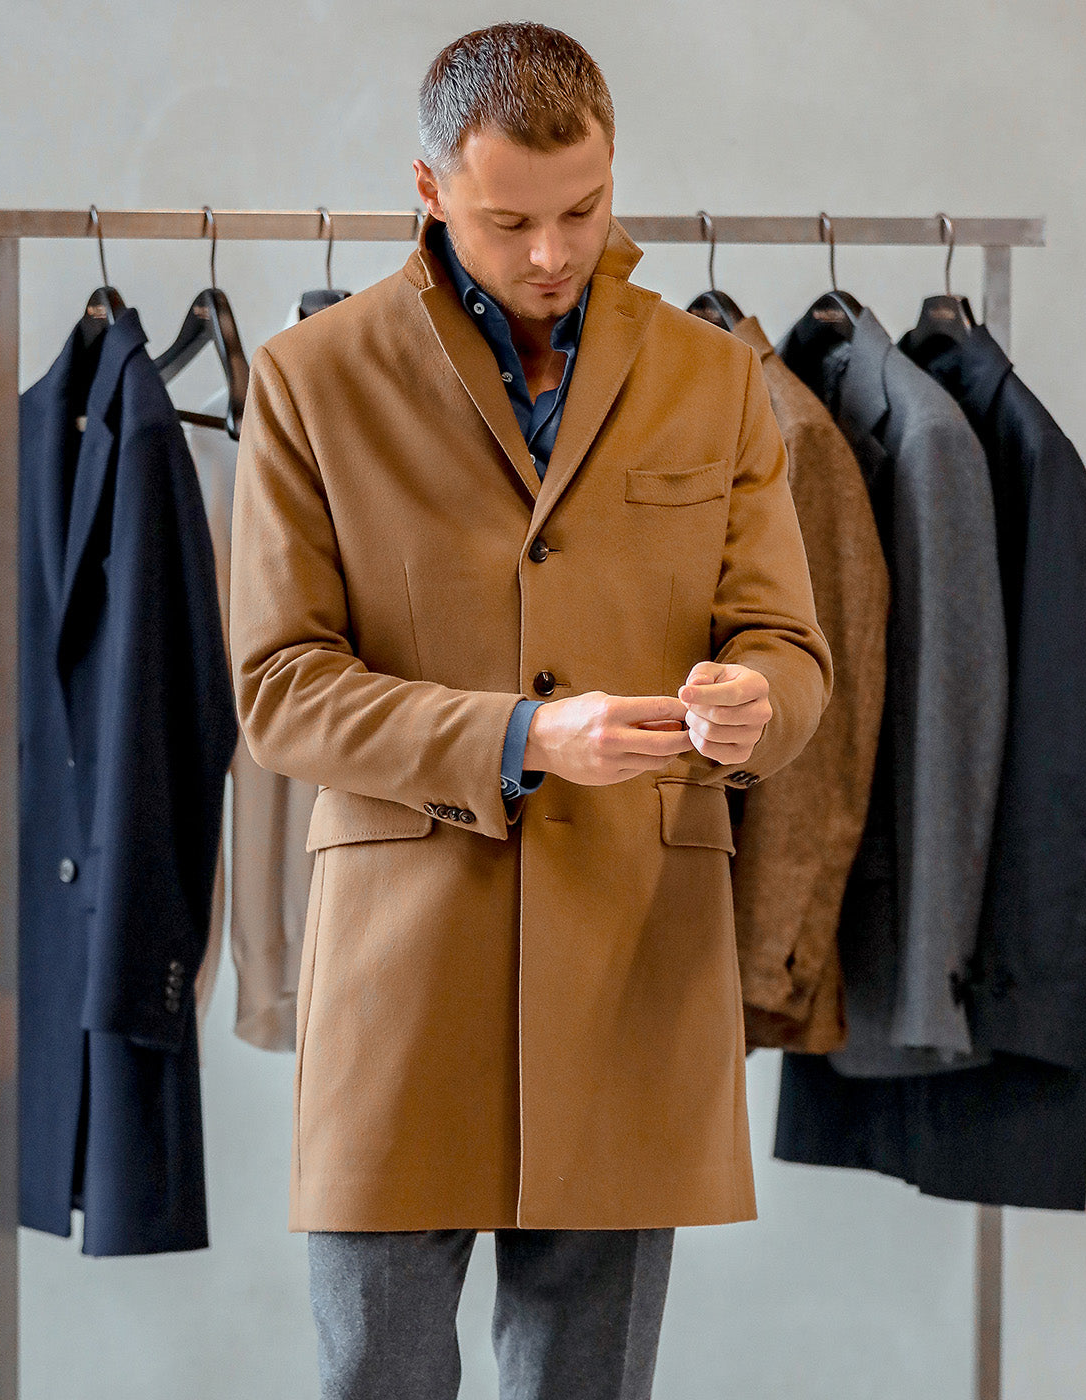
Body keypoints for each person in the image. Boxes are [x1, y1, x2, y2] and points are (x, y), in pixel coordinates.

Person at [228, 21, 832, 1400]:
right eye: (511, 220)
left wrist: (757, 704)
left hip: (635, 955)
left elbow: (790, 651)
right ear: (433, 190)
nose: (552, 253)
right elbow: (279, 689)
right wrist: (518, 739)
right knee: (373, 1376)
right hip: (403, 965)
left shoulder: (713, 377)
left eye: (585, 211)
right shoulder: (312, 380)